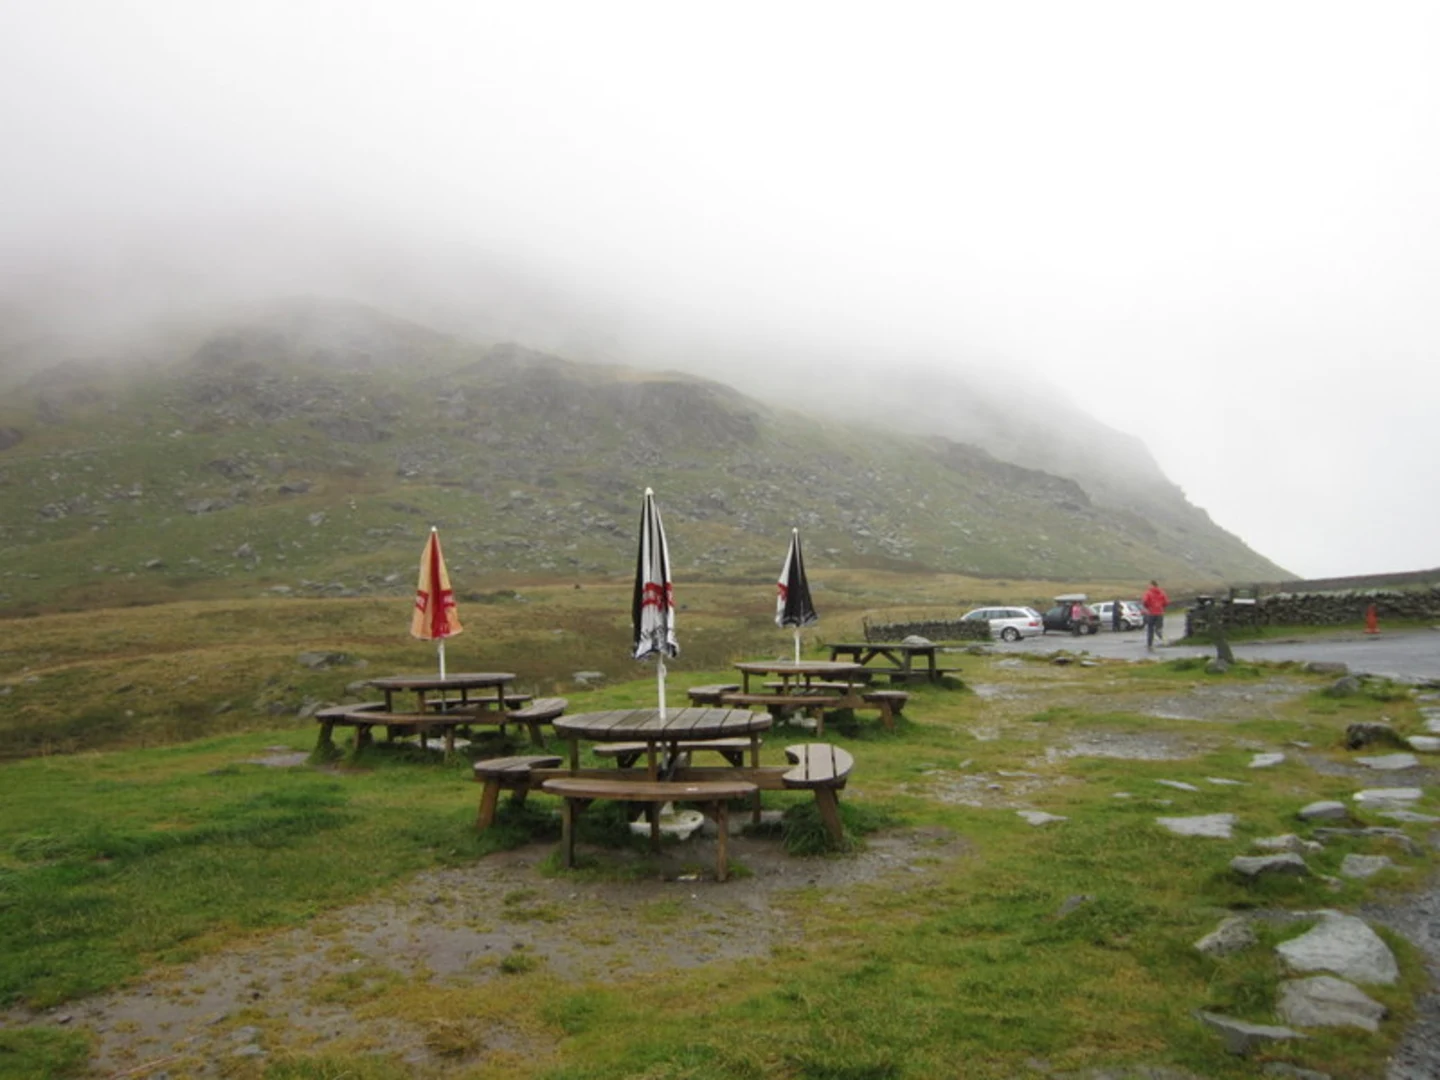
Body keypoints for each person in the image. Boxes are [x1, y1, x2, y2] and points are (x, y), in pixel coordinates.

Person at [1142, 580, 1169, 650]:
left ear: (1152, 585)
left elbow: (1145, 601)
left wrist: (1148, 607)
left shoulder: (1148, 593)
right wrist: (1161, 607)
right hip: (1160, 613)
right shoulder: (1162, 592)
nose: (1148, 586)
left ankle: (1150, 644)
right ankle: (1163, 639)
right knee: (1158, 629)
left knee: (1150, 629)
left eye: (1149, 585)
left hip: (1151, 613)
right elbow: (1166, 602)